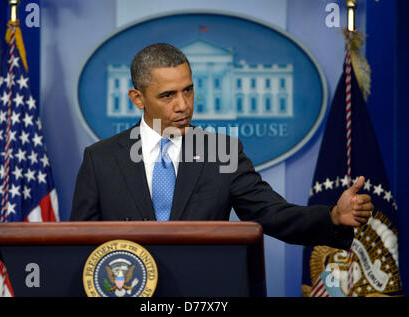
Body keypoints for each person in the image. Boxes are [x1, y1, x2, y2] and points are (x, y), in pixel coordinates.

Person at [70, 43, 373, 250]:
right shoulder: (101, 159)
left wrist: (332, 216)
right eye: (168, 96)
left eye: (188, 90)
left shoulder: (221, 152)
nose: (183, 106)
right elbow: (79, 243)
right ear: (137, 98)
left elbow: (270, 213)